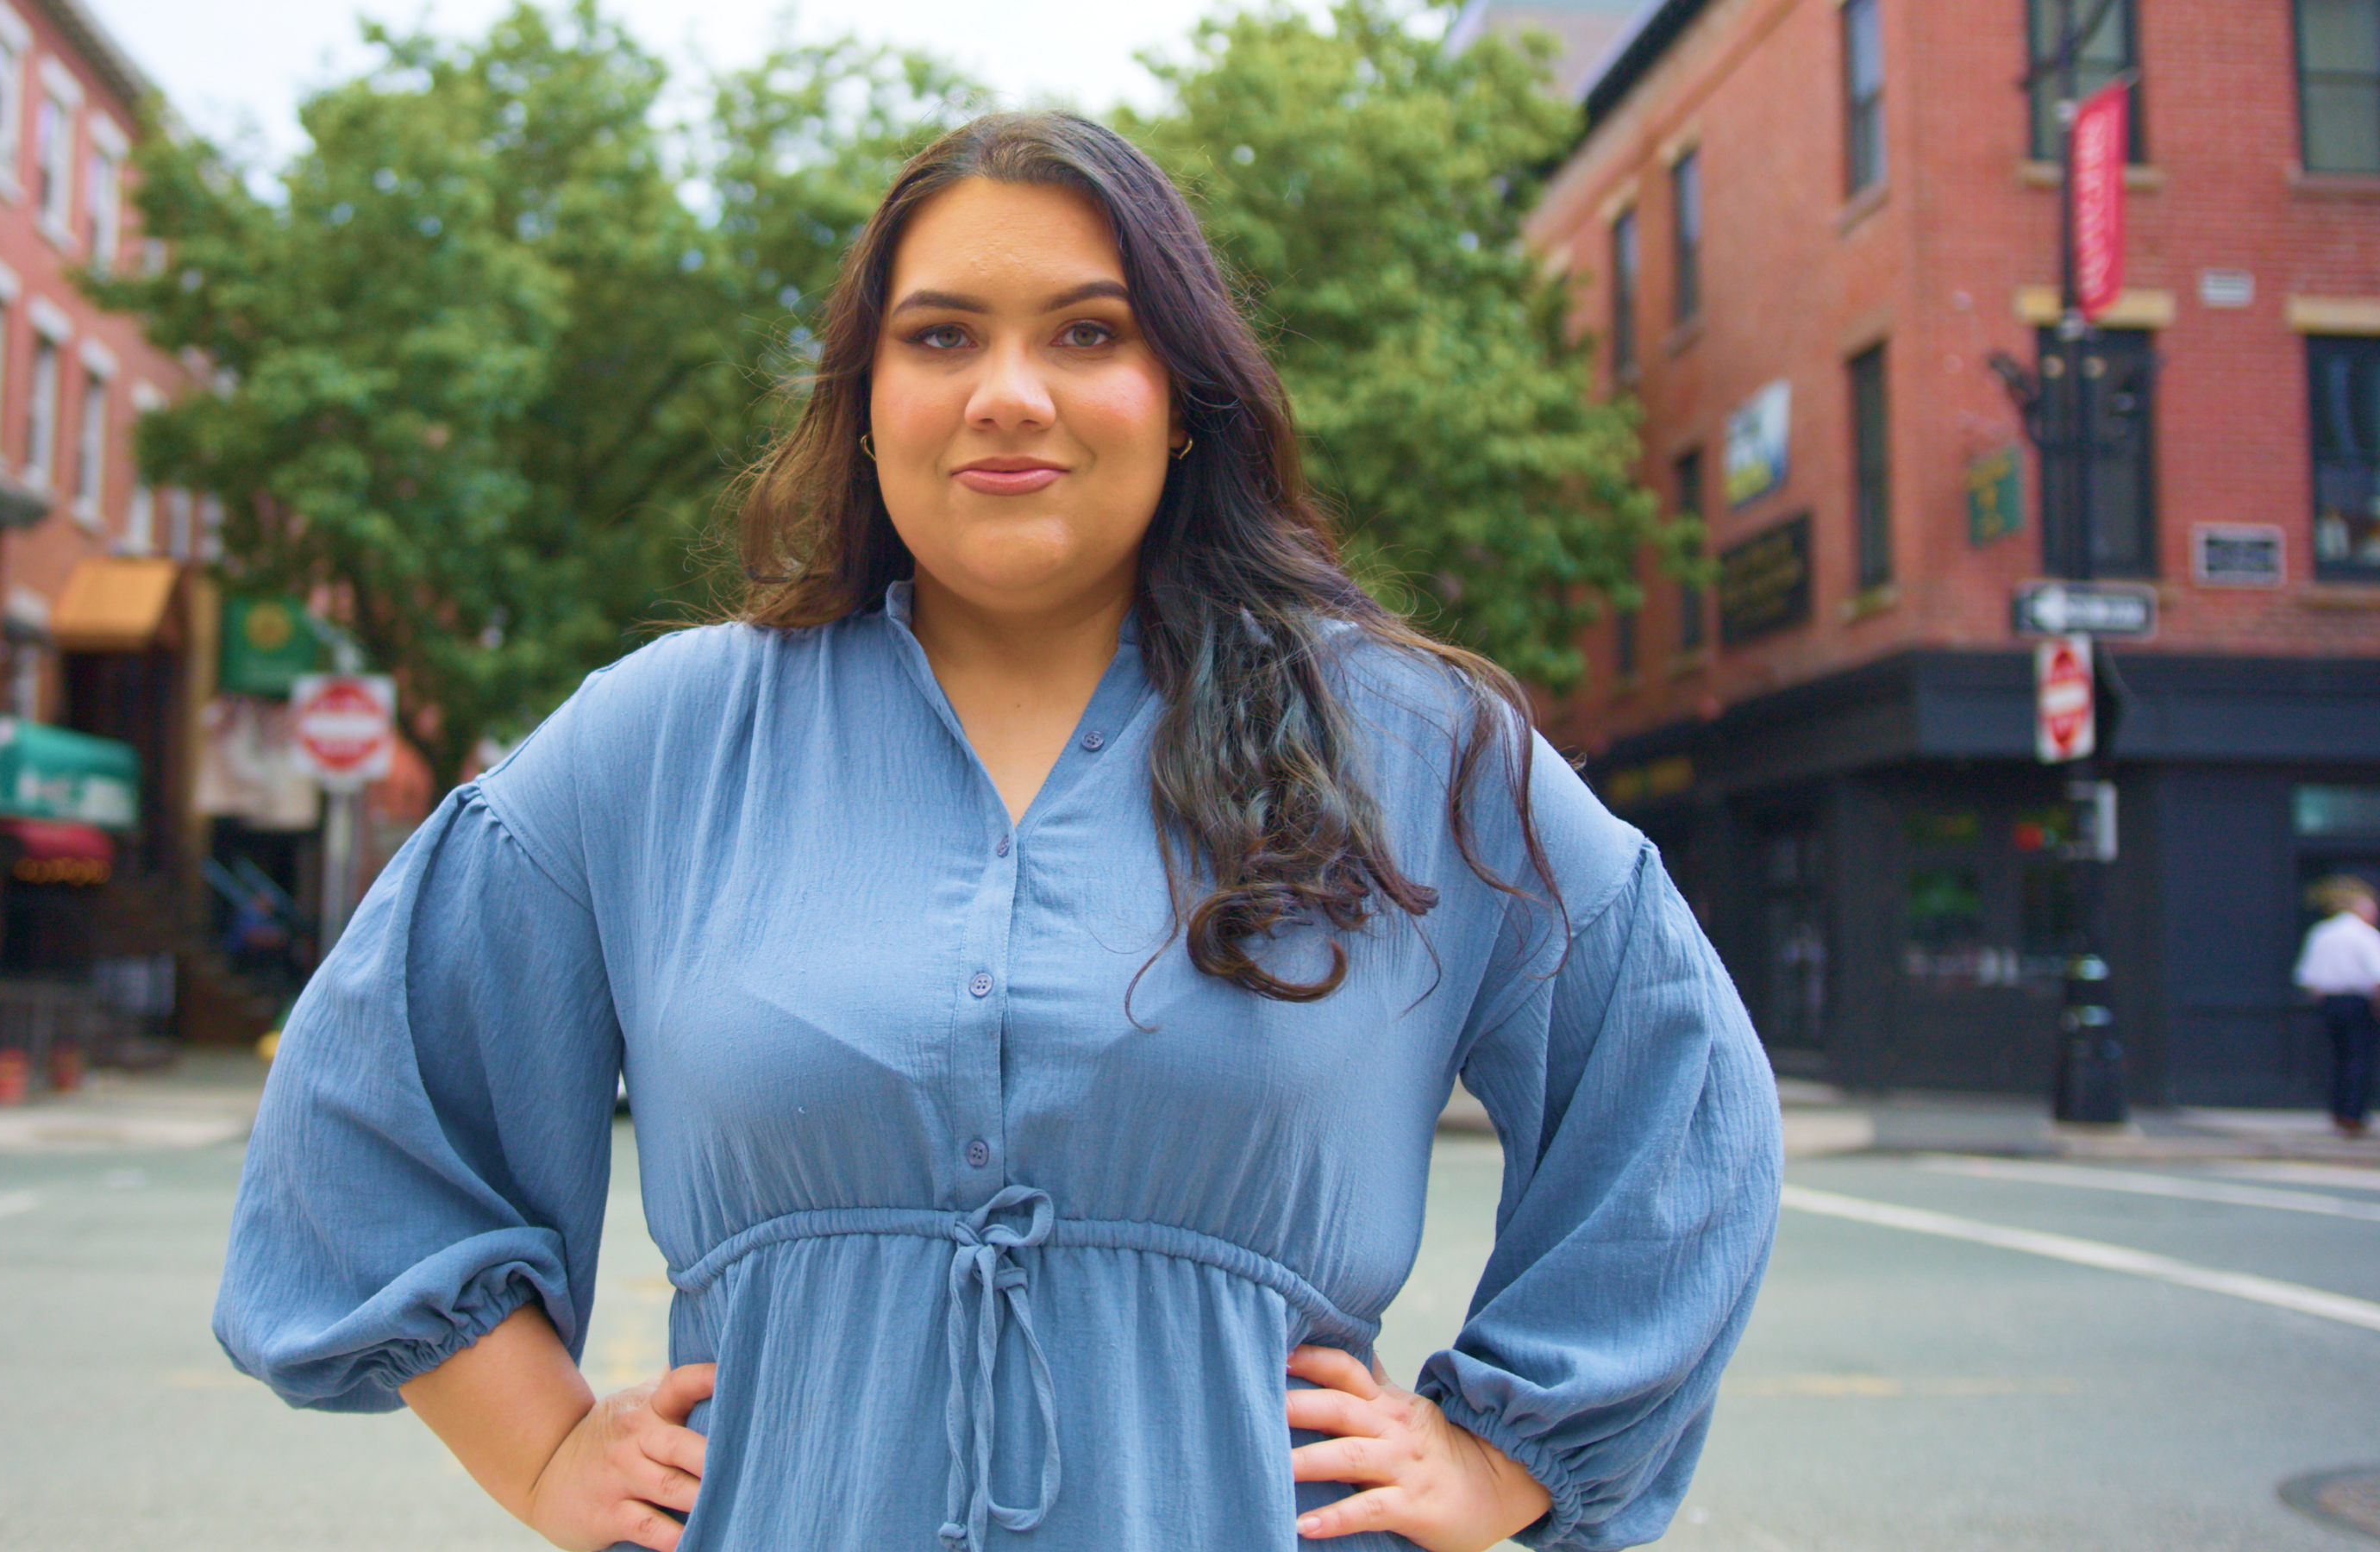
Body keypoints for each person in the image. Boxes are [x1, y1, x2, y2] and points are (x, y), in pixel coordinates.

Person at [213, 111, 1782, 1552]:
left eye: (1089, 333)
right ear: (869, 399)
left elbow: (1674, 1088)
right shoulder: (662, 743)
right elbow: (370, 1111)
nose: (1007, 392)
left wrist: (1503, 1454)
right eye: (941, 335)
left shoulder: (1408, 746)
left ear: (1179, 400)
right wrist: (544, 1451)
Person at [2294, 874, 2380, 1139]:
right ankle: (2353, 1115)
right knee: (2358, 1058)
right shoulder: (2364, 935)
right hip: (2358, 1001)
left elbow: (2307, 976)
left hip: (2329, 1003)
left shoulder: (2321, 932)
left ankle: (2339, 1112)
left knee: (2338, 1057)